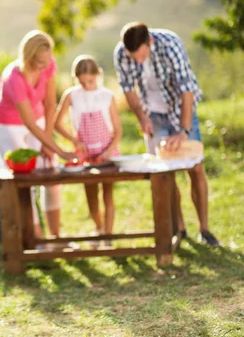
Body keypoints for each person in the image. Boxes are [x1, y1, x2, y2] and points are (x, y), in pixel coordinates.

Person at [113, 21, 220, 246]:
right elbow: (127, 88)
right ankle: (179, 229)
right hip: (153, 113)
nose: (138, 61)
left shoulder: (171, 44)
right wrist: (142, 117)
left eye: (141, 56)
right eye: (134, 58)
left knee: (195, 167)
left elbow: (186, 88)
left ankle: (205, 229)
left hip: (181, 109)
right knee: (164, 171)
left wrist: (183, 130)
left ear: (149, 42)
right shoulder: (122, 53)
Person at [0, 30, 77, 242]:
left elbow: (49, 104)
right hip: (9, 125)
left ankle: (56, 237)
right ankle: (36, 239)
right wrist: (61, 150)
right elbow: (27, 122)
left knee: (51, 174)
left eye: (46, 61)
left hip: (38, 123)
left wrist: (48, 142)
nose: (43, 65)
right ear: (28, 57)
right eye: (38, 61)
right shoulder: (14, 77)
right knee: (25, 181)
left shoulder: (48, 64)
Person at [55, 55, 122, 243]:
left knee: (107, 194)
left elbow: (118, 131)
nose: (87, 86)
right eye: (82, 82)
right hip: (85, 154)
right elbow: (57, 124)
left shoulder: (107, 96)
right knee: (91, 195)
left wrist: (109, 151)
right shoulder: (71, 95)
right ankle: (98, 229)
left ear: (98, 75)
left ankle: (108, 236)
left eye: (90, 81)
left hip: (107, 153)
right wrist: (74, 141)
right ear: (76, 79)